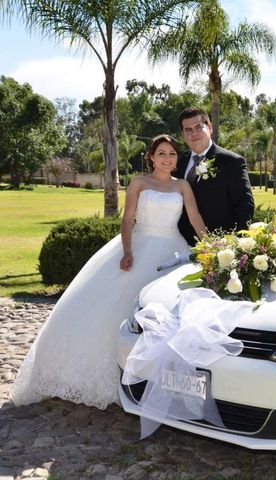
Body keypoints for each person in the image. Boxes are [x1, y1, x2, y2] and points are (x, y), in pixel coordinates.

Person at [11, 134, 207, 409]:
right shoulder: (139, 183)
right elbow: (128, 219)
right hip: (140, 246)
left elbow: (195, 217)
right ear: (151, 157)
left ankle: (155, 377)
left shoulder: (183, 186)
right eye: (161, 153)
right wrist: (128, 251)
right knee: (114, 308)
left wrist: (210, 245)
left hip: (172, 250)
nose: (167, 159)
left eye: (172, 154)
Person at [176, 107, 254, 245]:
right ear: (183, 134)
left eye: (198, 127)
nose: (194, 133)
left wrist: (235, 242)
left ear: (210, 127)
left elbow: (245, 205)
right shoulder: (178, 162)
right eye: (188, 130)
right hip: (179, 243)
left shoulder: (232, 162)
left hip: (218, 246)